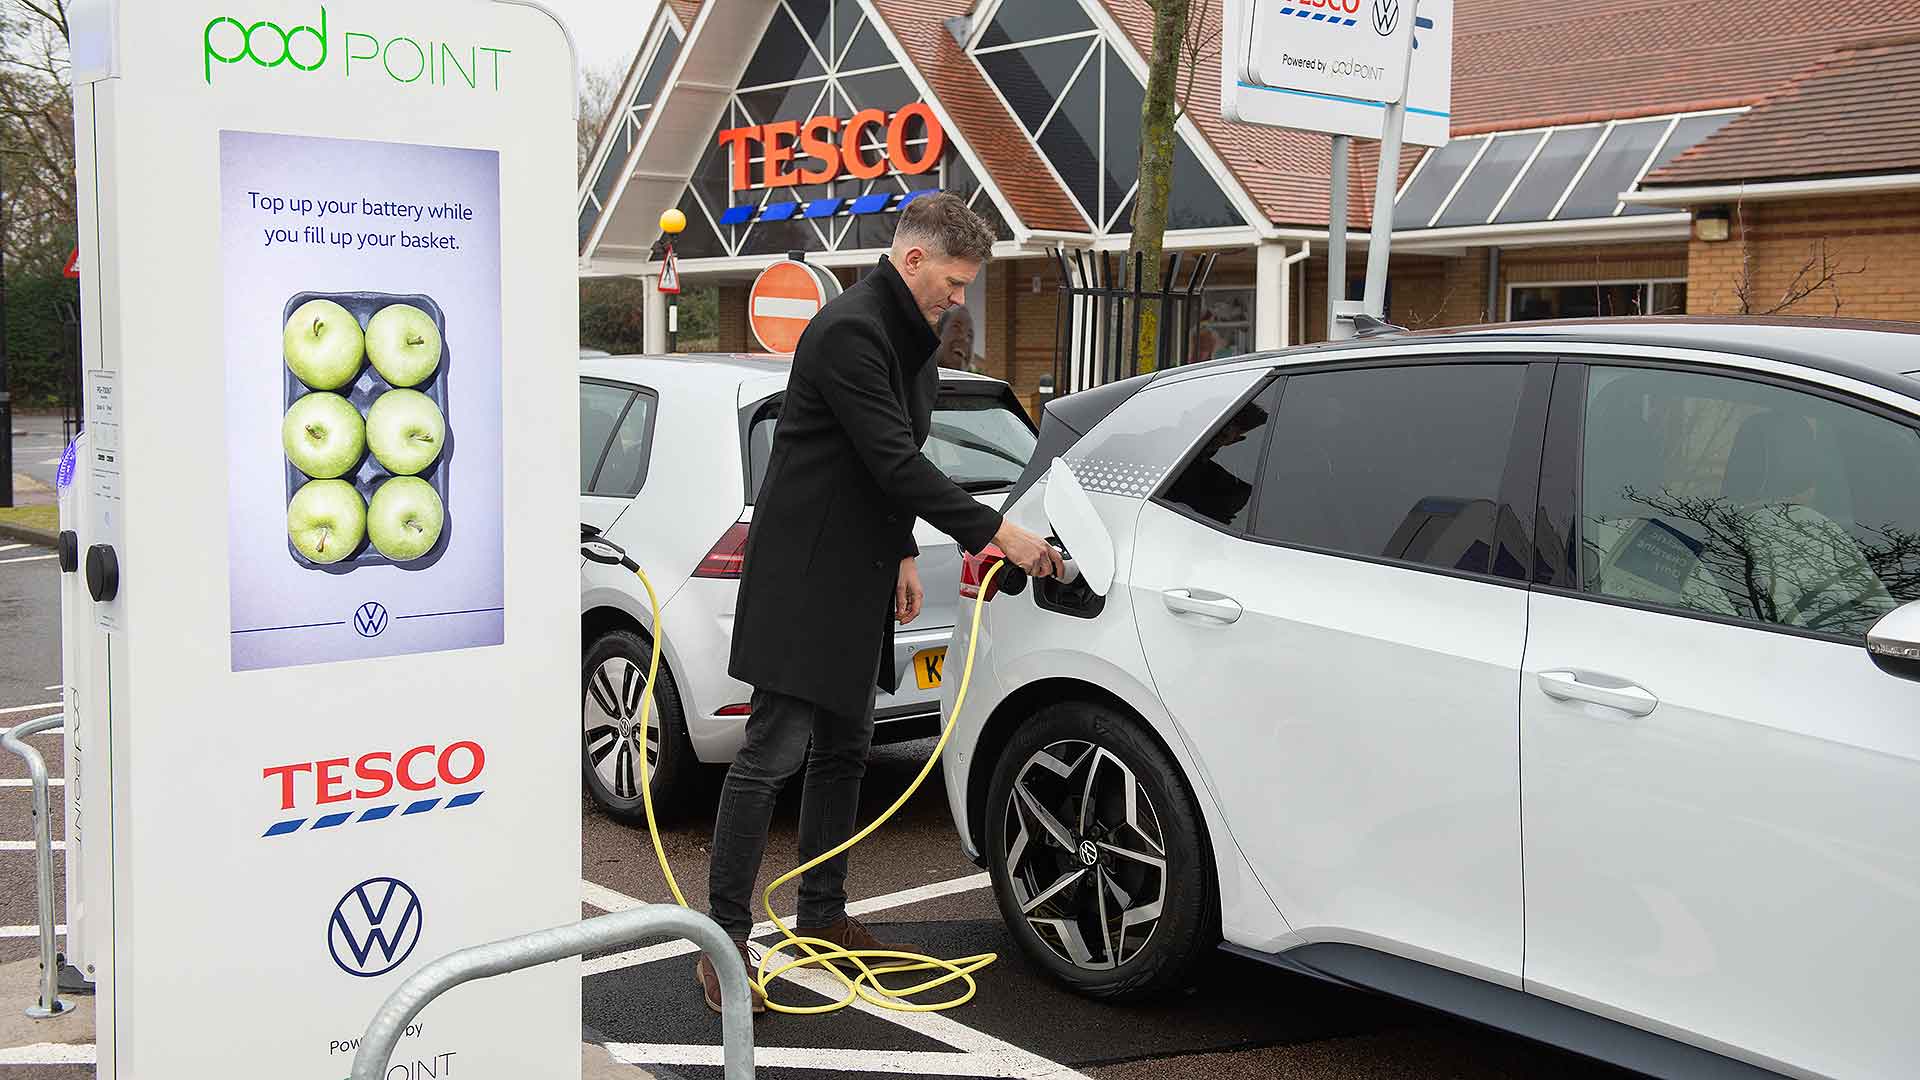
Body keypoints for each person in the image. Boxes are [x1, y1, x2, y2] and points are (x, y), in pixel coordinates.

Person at [698, 193, 1064, 1013]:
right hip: (804, 579)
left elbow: (886, 459)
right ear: (913, 261)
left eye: (968, 286)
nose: (959, 298)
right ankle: (721, 947)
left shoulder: (910, 340)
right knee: (769, 758)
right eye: (955, 281)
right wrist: (1003, 536)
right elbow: (896, 461)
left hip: (859, 570)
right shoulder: (851, 332)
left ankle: (822, 918)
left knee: (845, 750)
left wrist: (900, 547)